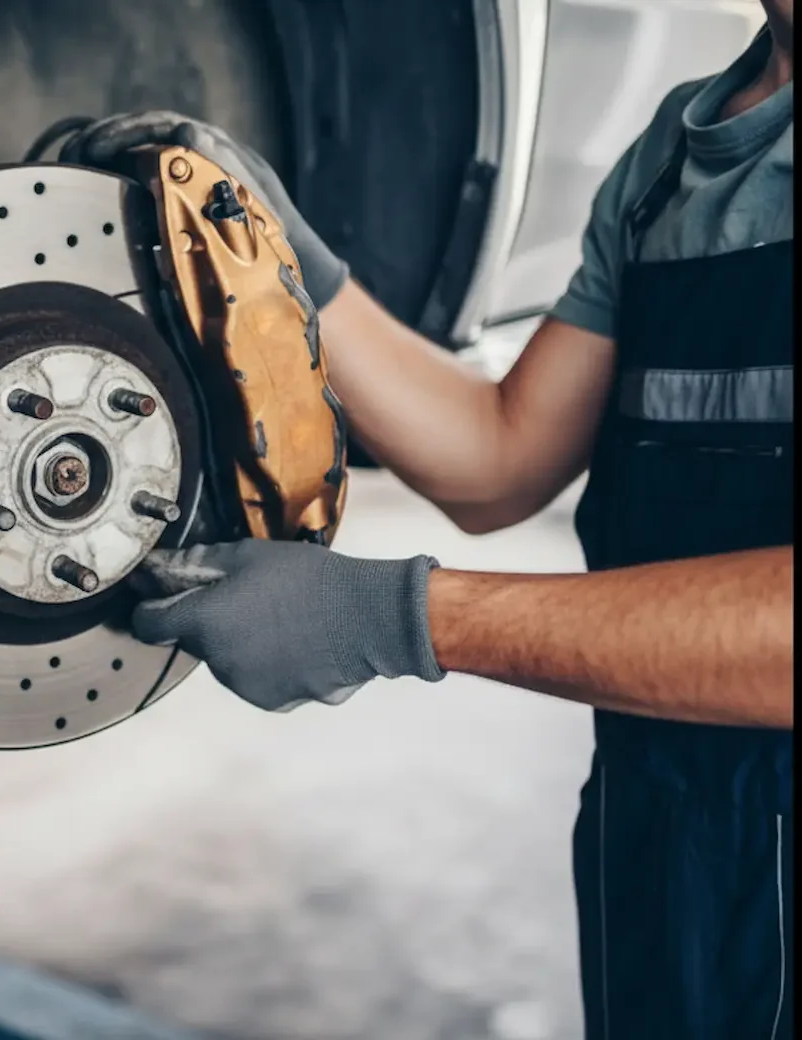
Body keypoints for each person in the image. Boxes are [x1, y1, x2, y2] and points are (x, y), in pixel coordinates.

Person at [60, 3, 793, 1038]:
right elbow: (499, 455)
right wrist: (291, 270)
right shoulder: (674, 155)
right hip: (663, 830)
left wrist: (396, 616)